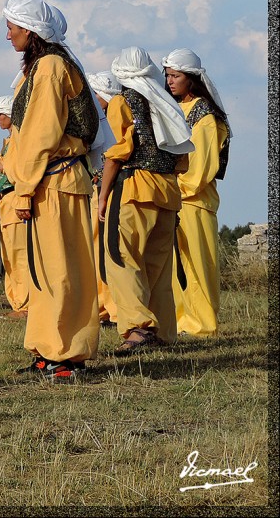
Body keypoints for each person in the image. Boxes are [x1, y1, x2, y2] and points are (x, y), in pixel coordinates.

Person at [1, 0, 103, 382]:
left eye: (11, 28)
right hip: (57, 180)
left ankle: (62, 355)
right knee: (48, 270)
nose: (8, 35)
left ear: (29, 30)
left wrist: (24, 189)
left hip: (53, 182)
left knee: (57, 271)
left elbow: (40, 135)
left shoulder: (49, 67)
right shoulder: (50, 65)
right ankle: (50, 350)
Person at [99, 47, 193, 354]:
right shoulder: (166, 103)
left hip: (133, 187)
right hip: (167, 191)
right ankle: (164, 333)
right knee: (158, 266)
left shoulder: (121, 101)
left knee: (121, 259)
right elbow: (182, 158)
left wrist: (102, 198)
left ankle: (138, 328)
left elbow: (117, 153)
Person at [163, 48, 231, 337]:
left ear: (191, 78)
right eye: (167, 76)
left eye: (175, 76)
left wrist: (177, 188)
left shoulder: (205, 116)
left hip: (194, 201)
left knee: (198, 264)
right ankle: (182, 319)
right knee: (177, 264)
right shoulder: (176, 109)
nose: (170, 82)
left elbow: (201, 167)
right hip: (174, 200)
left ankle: (202, 323)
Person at [0, 95, 28, 319]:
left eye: (1, 114)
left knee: (19, 253)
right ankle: (17, 301)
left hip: (14, 199)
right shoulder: (9, 141)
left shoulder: (19, 140)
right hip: (5, 200)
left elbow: (6, 167)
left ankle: (25, 304)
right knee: (8, 254)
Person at [87, 70, 122, 328]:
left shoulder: (116, 117)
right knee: (96, 248)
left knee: (108, 249)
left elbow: (114, 157)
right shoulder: (103, 120)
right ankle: (101, 305)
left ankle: (113, 307)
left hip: (108, 189)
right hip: (97, 187)